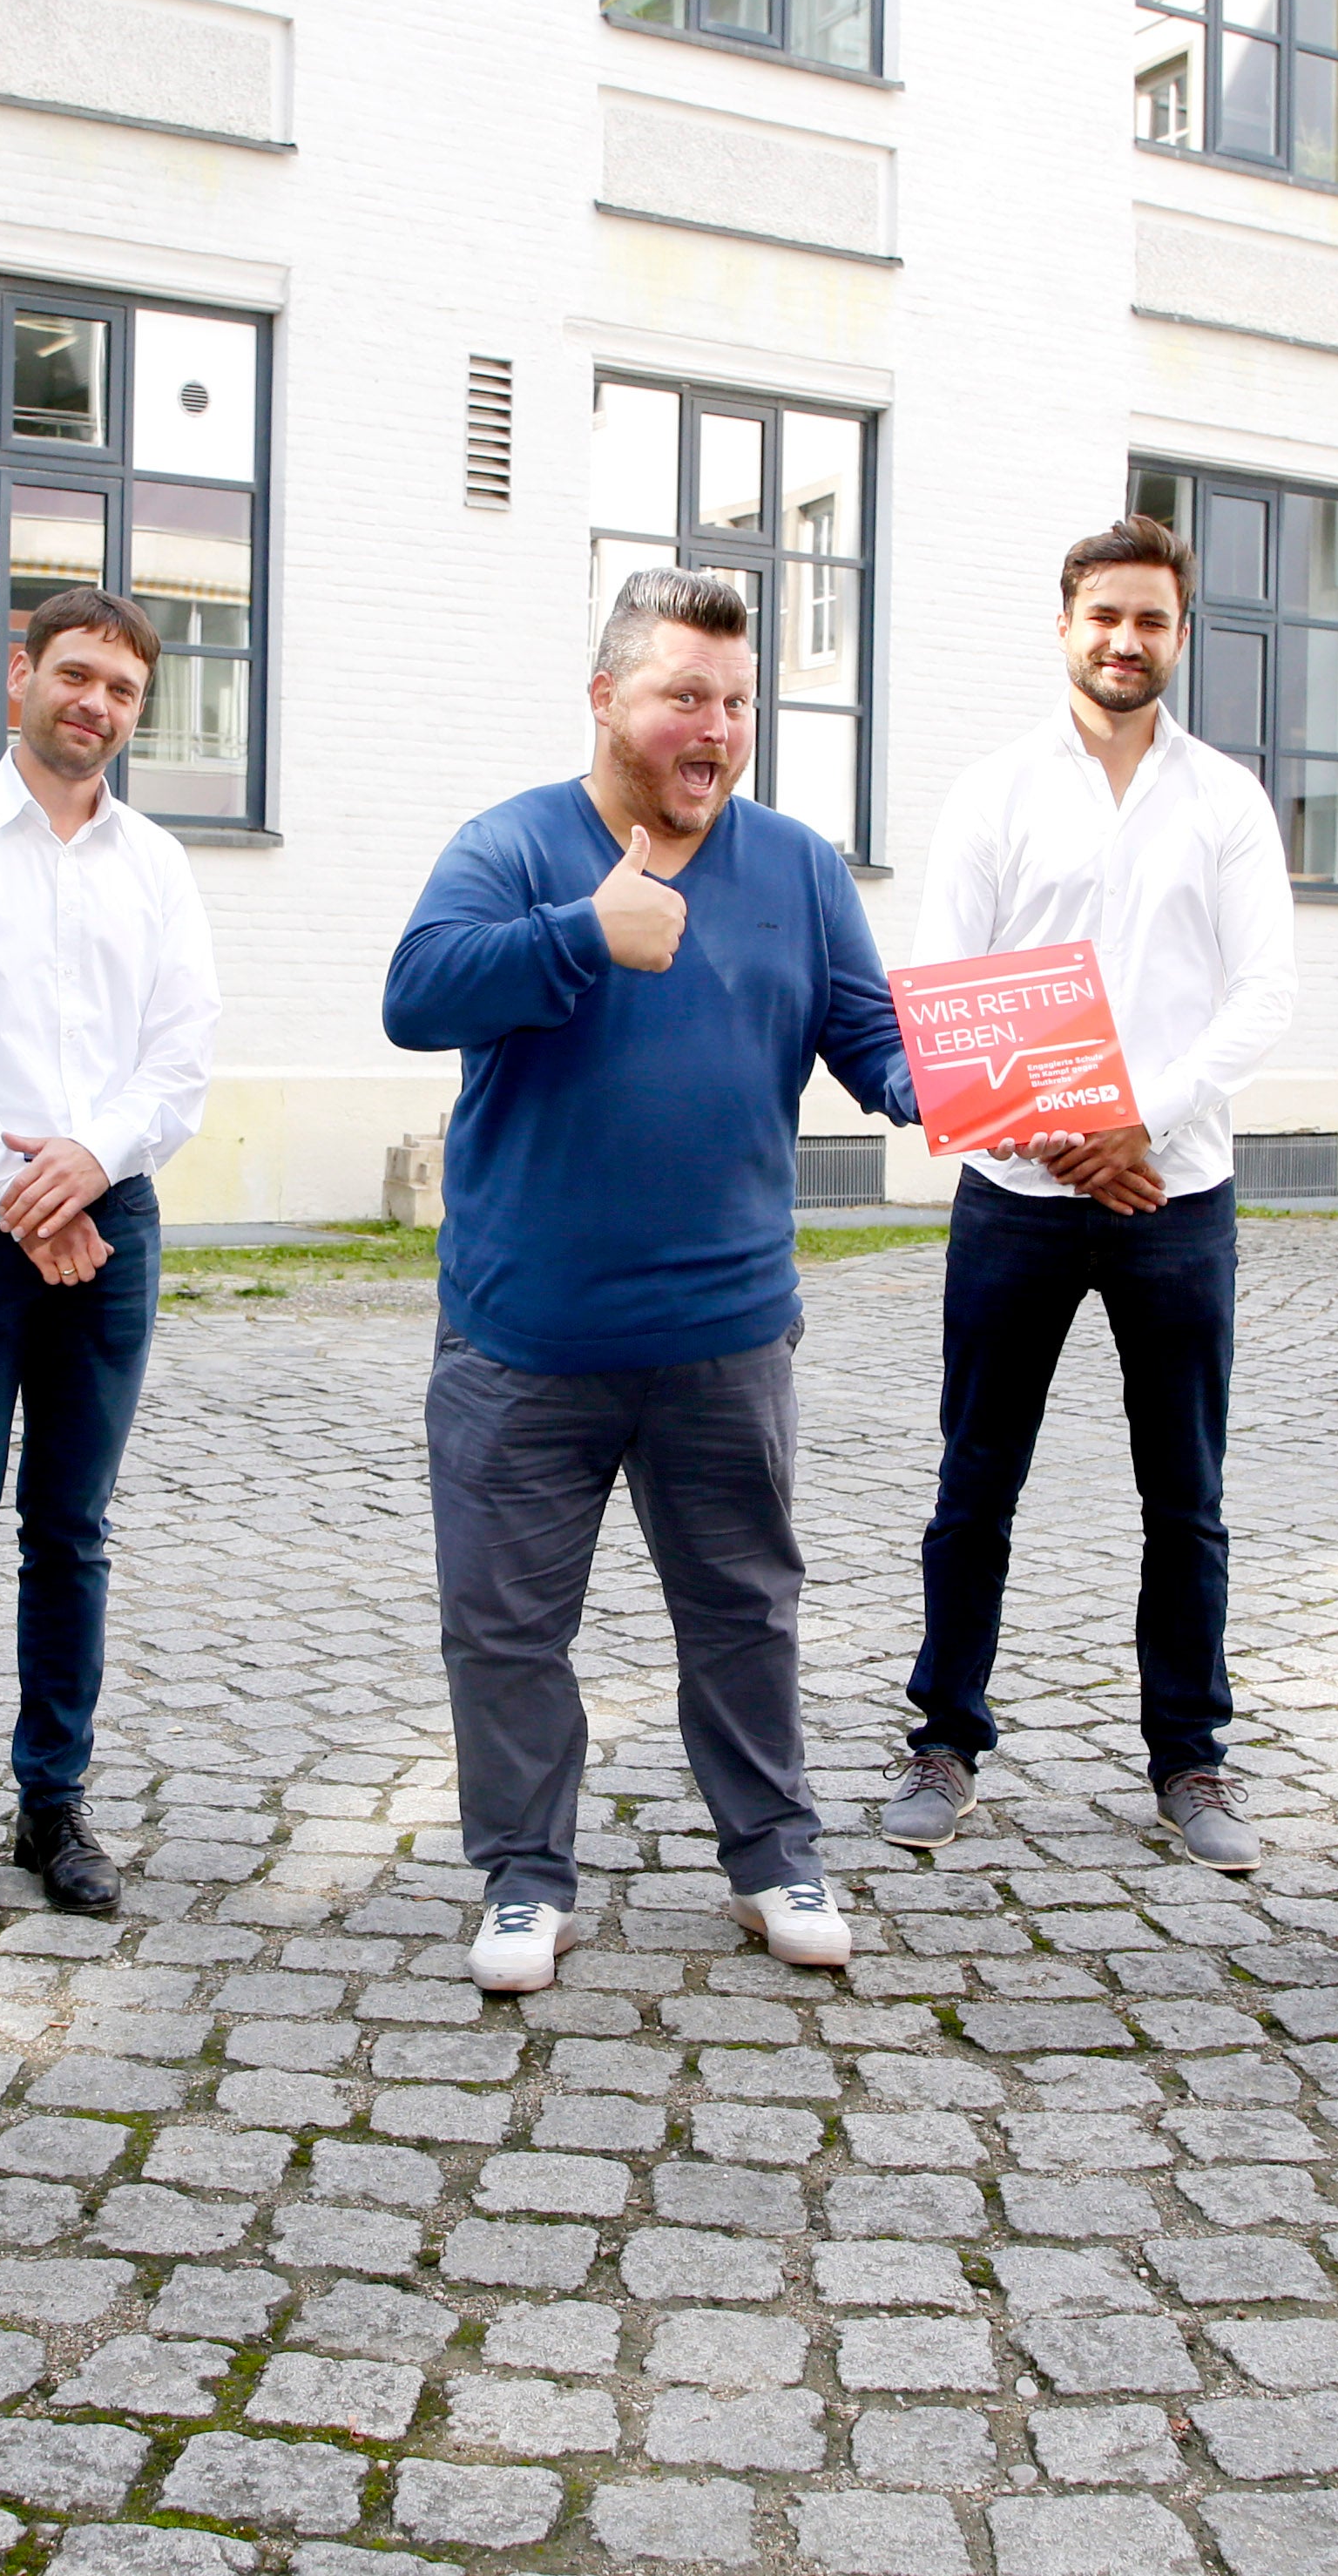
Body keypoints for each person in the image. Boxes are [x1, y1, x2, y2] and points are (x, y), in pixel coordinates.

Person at [383, 567, 918, 1995]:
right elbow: (415, 994)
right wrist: (582, 933)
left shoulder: (798, 869)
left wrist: (1000, 1085)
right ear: (608, 699)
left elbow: (875, 1045)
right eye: (688, 694)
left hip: (724, 1336)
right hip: (524, 1340)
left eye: (739, 701)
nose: (720, 727)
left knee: (745, 1612)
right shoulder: (510, 847)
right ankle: (522, 1878)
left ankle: (773, 1857)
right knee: (505, 1625)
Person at [882, 512, 1298, 1869]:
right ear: (1066, 624)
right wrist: (1069, 1129)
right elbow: (949, 989)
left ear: (1182, 635)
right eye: (1106, 615)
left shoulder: (1225, 798)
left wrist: (1142, 1117)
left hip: (1180, 1197)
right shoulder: (995, 791)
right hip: (1016, 1191)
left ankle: (1192, 1759)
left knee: (1186, 1491)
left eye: (1154, 620)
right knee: (976, 1477)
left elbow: (1264, 995)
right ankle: (945, 1737)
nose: (1128, 640)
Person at [0, 586, 218, 1932]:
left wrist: (89, 1163)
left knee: (72, 1530)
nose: (97, 706)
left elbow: (179, 1058)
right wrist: (20, 1191)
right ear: (19, 678)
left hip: (110, 1221)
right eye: (76, 676)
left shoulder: (159, 865)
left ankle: (52, 1804)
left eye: (123, 691)